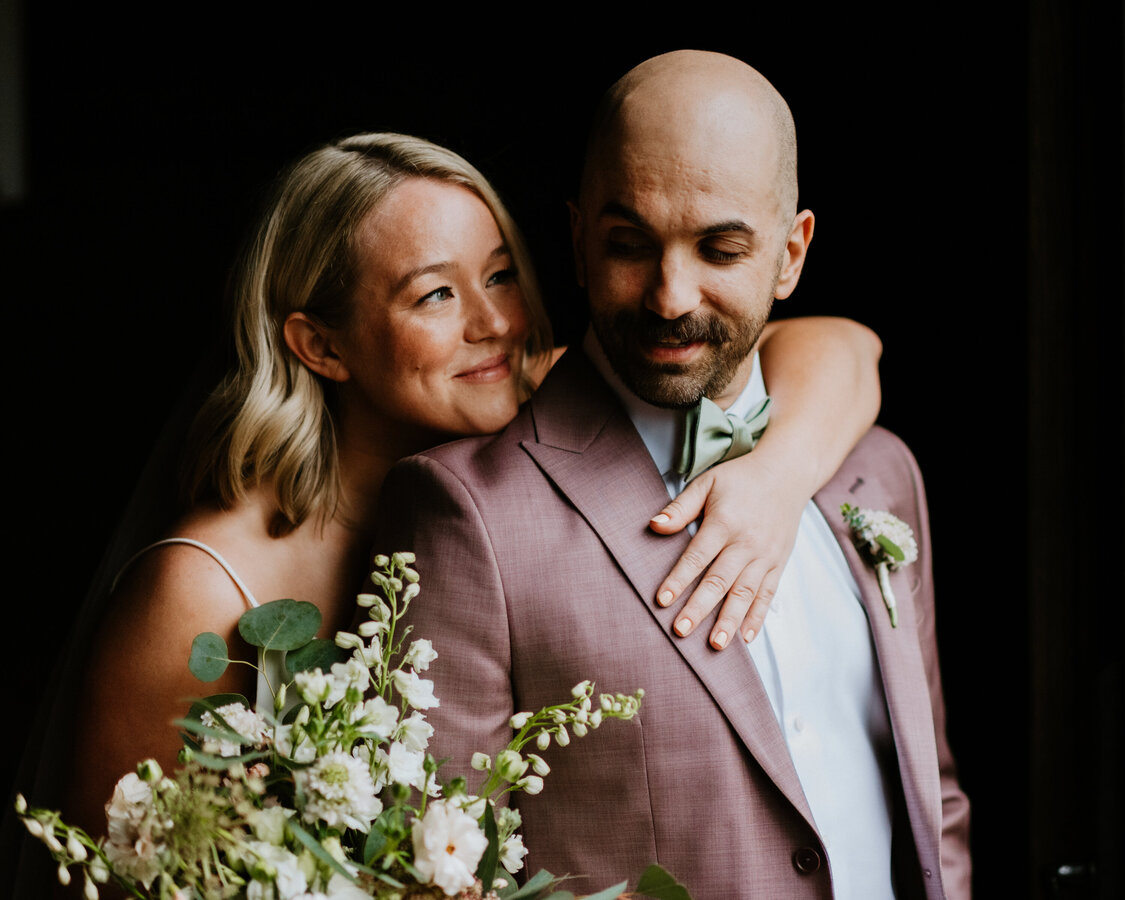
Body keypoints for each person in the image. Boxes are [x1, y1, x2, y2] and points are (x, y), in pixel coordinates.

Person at [29, 131, 881, 852]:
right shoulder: (201, 592)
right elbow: (108, 872)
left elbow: (842, 347)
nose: (497, 323)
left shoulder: (540, 394)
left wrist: (773, 481)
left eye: (502, 275)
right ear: (320, 346)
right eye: (435, 294)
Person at [369, 52, 970, 899]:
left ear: (791, 254)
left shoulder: (877, 471)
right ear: (577, 240)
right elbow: (437, 866)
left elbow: (931, 798)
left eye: (720, 248)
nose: (668, 295)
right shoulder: (467, 514)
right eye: (628, 244)